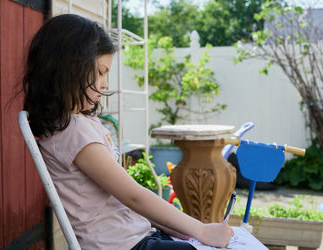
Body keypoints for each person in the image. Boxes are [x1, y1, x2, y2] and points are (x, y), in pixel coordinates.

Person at [20, 14, 234, 250]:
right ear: (69, 69)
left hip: (135, 236)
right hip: (122, 245)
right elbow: (132, 195)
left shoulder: (75, 124)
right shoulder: (73, 132)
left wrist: (183, 229)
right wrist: (202, 230)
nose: (104, 83)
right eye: (100, 72)